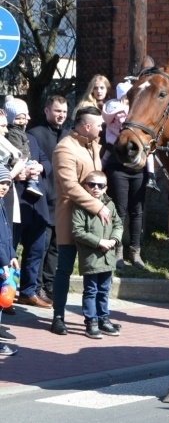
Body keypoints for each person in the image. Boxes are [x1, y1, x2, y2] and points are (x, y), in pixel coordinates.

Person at [50, 106, 105, 336]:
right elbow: (70, 186)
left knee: (97, 271)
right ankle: (58, 317)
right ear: (87, 126)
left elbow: (98, 181)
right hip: (71, 219)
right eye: (99, 124)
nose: (102, 127)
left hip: (93, 220)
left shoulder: (93, 145)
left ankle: (97, 319)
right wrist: (98, 206)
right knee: (64, 270)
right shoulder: (65, 148)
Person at [5, 99, 53, 309]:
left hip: (36, 204)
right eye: (19, 117)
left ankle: (28, 291)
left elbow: (46, 161)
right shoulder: (4, 139)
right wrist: (18, 174)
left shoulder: (31, 138)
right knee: (9, 252)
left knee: (36, 249)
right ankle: (7, 294)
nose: (24, 120)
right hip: (15, 202)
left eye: (25, 116)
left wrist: (39, 169)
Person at [72, 170, 123, 338]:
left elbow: (118, 225)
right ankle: (91, 321)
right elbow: (77, 231)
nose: (95, 188)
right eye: (91, 184)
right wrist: (98, 242)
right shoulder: (80, 206)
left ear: (105, 188)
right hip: (91, 257)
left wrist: (114, 240)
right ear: (85, 186)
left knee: (104, 290)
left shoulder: (110, 204)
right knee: (91, 290)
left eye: (100, 185)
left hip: (108, 256)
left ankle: (103, 319)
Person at [28, 95, 69, 302]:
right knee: (40, 247)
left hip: (62, 201)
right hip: (42, 200)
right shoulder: (34, 134)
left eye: (64, 111)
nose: (61, 115)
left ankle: (49, 285)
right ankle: (34, 288)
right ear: (46, 111)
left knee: (56, 246)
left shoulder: (69, 135)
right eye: (57, 111)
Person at [100, 98, 146, 270]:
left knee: (137, 211)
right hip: (118, 168)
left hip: (137, 169)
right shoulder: (114, 116)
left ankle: (135, 251)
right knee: (120, 210)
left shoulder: (138, 116)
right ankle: (117, 250)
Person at [0, 166, 19, 356]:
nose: (4, 187)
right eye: (1, 183)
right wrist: (4, 263)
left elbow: (6, 236)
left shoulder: (1, 204)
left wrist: (12, 254)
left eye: (7, 183)